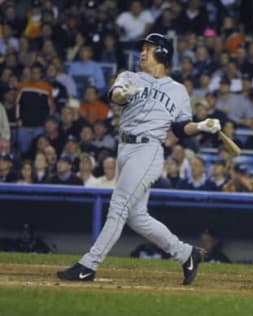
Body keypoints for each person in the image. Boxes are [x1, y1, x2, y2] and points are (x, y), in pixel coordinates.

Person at [57, 33, 222, 286]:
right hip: (124, 148)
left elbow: (180, 129)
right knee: (136, 217)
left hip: (148, 151)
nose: (143, 53)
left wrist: (201, 125)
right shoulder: (129, 76)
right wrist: (126, 94)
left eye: (149, 48)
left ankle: (88, 265)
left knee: (119, 206)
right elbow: (114, 96)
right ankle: (186, 254)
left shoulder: (178, 91)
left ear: (162, 53)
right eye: (143, 48)